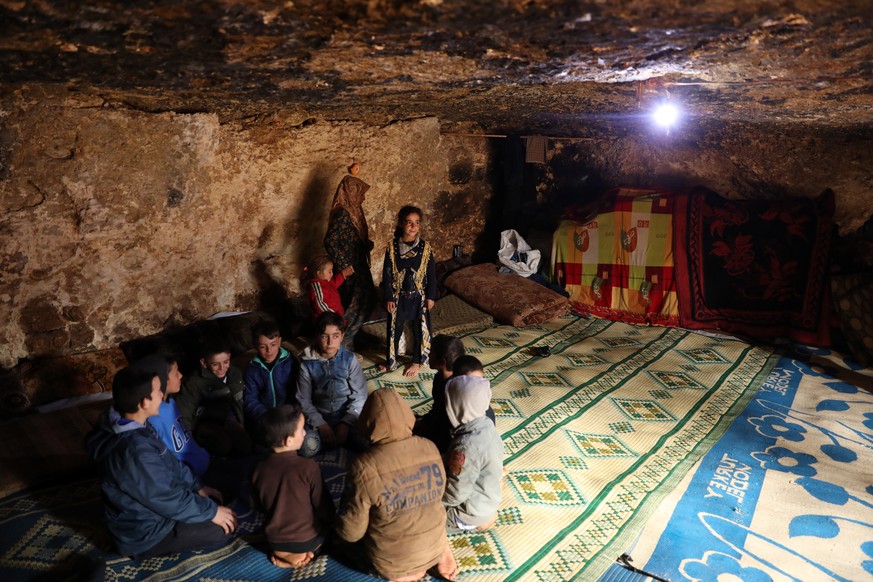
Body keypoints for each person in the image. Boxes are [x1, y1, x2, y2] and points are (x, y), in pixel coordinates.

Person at [86, 367, 236, 559]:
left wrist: (198, 487)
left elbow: (171, 462)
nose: (161, 393)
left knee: (221, 490)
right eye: (158, 390)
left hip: (156, 506)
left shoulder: (136, 424)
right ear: (144, 402)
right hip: (147, 534)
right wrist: (211, 512)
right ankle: (132, 547)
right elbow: (167, 498)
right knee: (223, 529)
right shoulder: (134, 451)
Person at [335, 388, 457, 582]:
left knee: (339, 537)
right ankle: (437, 554)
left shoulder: (363, 466)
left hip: (392, 563)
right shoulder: (430, 447)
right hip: (434, 546)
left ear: (366, 422)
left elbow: (351, 532)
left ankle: (403, 573)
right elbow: (439, 495)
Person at [251, 405, 335, 569]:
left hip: (274, 540)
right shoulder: (308, 467)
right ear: (288, 441)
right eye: (302, 429)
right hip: (307, 540)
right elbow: (322, 505)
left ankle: (283, 555)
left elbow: (257, 506)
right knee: (333, 533)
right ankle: (305, 554)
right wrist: (334, 520)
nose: (305, 433)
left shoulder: (257, 469)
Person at [443, 360, 504, 534]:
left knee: (419, 520)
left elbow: (455, 494)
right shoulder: (487, 425)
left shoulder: (465, 447)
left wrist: (431, 501)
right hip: (487, 500)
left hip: (469, 512)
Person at [296, 311, 368, 457]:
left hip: (347, 415)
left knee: (368, 441)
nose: (330, 342)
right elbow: (303, 400)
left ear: (342, 336)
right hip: (319, 416)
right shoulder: (307, 363)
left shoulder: (349, 359)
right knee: (307, 446)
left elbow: (360, 395)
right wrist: (321, 425)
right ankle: (332, 441)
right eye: (324, 336)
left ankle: (339, 440)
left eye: (335, 336)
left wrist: (345, 424)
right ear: (317, 336)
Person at [131, 353, 210, 478]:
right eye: (176, 373)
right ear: (162, 380)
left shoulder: (171, 403)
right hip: (190, 478)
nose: (180, 375)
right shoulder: (152, 417)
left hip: (201, 464)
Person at [380, 205, 438, 376]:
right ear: (400, 224)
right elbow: (387, 274)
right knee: (394, 328)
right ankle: (391, 360)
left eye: (417, 223)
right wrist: (389, 297)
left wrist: (431, 296)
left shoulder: (425, 248)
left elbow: (432, 275)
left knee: (418, 327)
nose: (413, 227)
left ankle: (417, 361)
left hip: (418, 297)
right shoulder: (392, 248)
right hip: (398, 297)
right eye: (409, 223)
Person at [324, 174, 377, 348]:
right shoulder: (342, 214)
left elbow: (350, 238)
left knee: (365, 300)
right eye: (359, 192)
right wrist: (345, 265)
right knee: (355, 304)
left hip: (358, 265)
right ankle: (344, 339)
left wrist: (364, 245)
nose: (363, 197)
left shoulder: (354, 212)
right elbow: (330, 241)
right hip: (351, 269)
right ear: (350, 193)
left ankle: (355, 335)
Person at [176, 339, 251, 457]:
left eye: (226, 362)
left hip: (231, 420)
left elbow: (241, 401)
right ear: (204, 363)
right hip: (207, 424)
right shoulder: (195, 382)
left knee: (245, 446)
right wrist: (190, 445)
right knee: (223, 446)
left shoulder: (235, 373)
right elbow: (184, 413)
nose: (222, 368)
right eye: (215, 364)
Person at [243, 318, 297, 431]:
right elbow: (250, 398)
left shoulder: (290, 362)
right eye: (263, 346)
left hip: (288, 415)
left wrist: (289, 413)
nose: (269, 350)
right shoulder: (252, 369)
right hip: (264, 418)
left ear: (279, 341)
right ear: (255, 346)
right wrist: (265, 417)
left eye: (273, 344)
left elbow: (297, 391)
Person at [304, 254, 353, 319]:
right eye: (329, 271)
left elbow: (334, 283)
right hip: (329, 321)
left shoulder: (325, 281)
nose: (332, 274)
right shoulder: (316, 287)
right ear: (319, 273)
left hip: (338, 315)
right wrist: (335, 318)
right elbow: (320, 306)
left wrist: (343, 274)